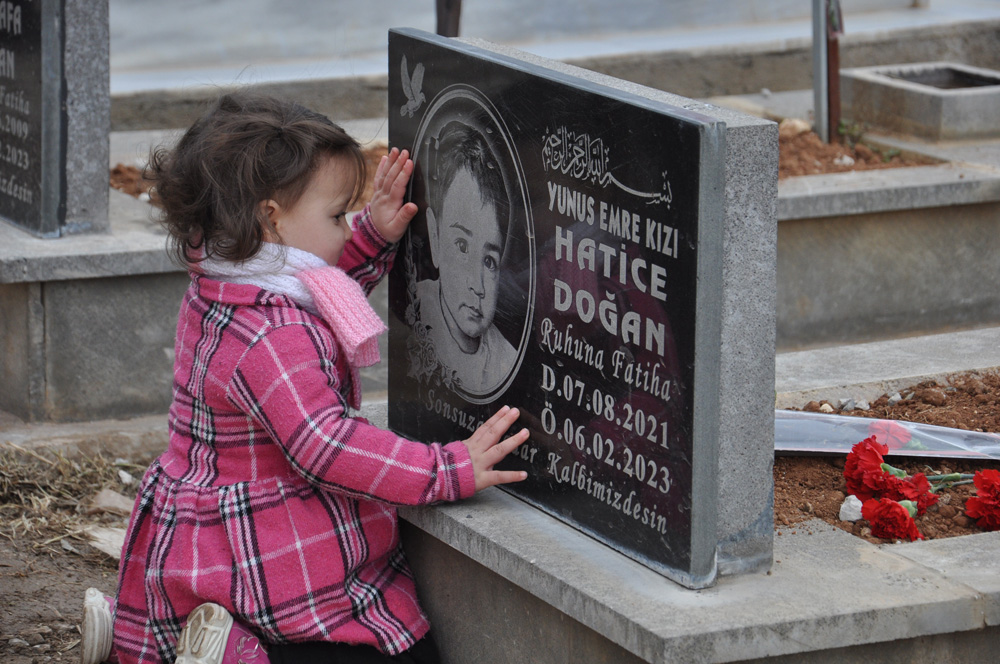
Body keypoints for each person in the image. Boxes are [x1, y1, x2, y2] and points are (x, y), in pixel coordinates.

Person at [79, 92, 529, 664]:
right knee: (393, 647)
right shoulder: (273, 335)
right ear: (271, 218)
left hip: (206, 528)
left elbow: (323, 290)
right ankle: (233, 656)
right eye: (338, 215)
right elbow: (326, 443)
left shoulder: (227, 279)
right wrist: (445, 469)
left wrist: (373, 232)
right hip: (266, 537)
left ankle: (158, 640)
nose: (346, 229)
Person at [415, 120, 518, 394]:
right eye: (462, 245)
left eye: (489, 261)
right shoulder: (413, 310)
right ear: (435, 240)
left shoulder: (505, 363)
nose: (478, 286)